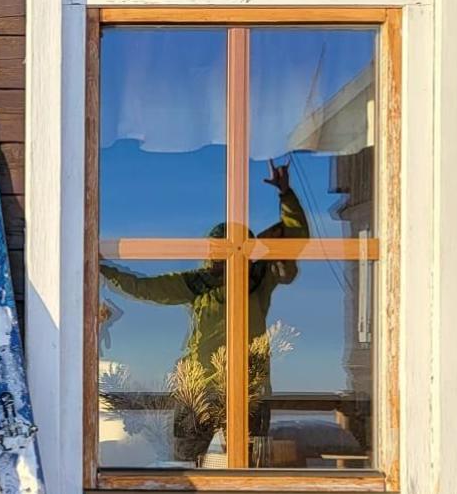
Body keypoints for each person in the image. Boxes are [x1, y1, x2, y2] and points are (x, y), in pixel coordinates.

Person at [100, 159, 308, 466]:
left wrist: (286, 195)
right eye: (216, 251)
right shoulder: (197, 284)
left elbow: (294, 242)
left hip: (248, 386)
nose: (219, 259)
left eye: (225, 251)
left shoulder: (259, 279)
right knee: (184, 464)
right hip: (198, 387)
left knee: (250, 469)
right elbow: (143, 288)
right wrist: (100, 267)